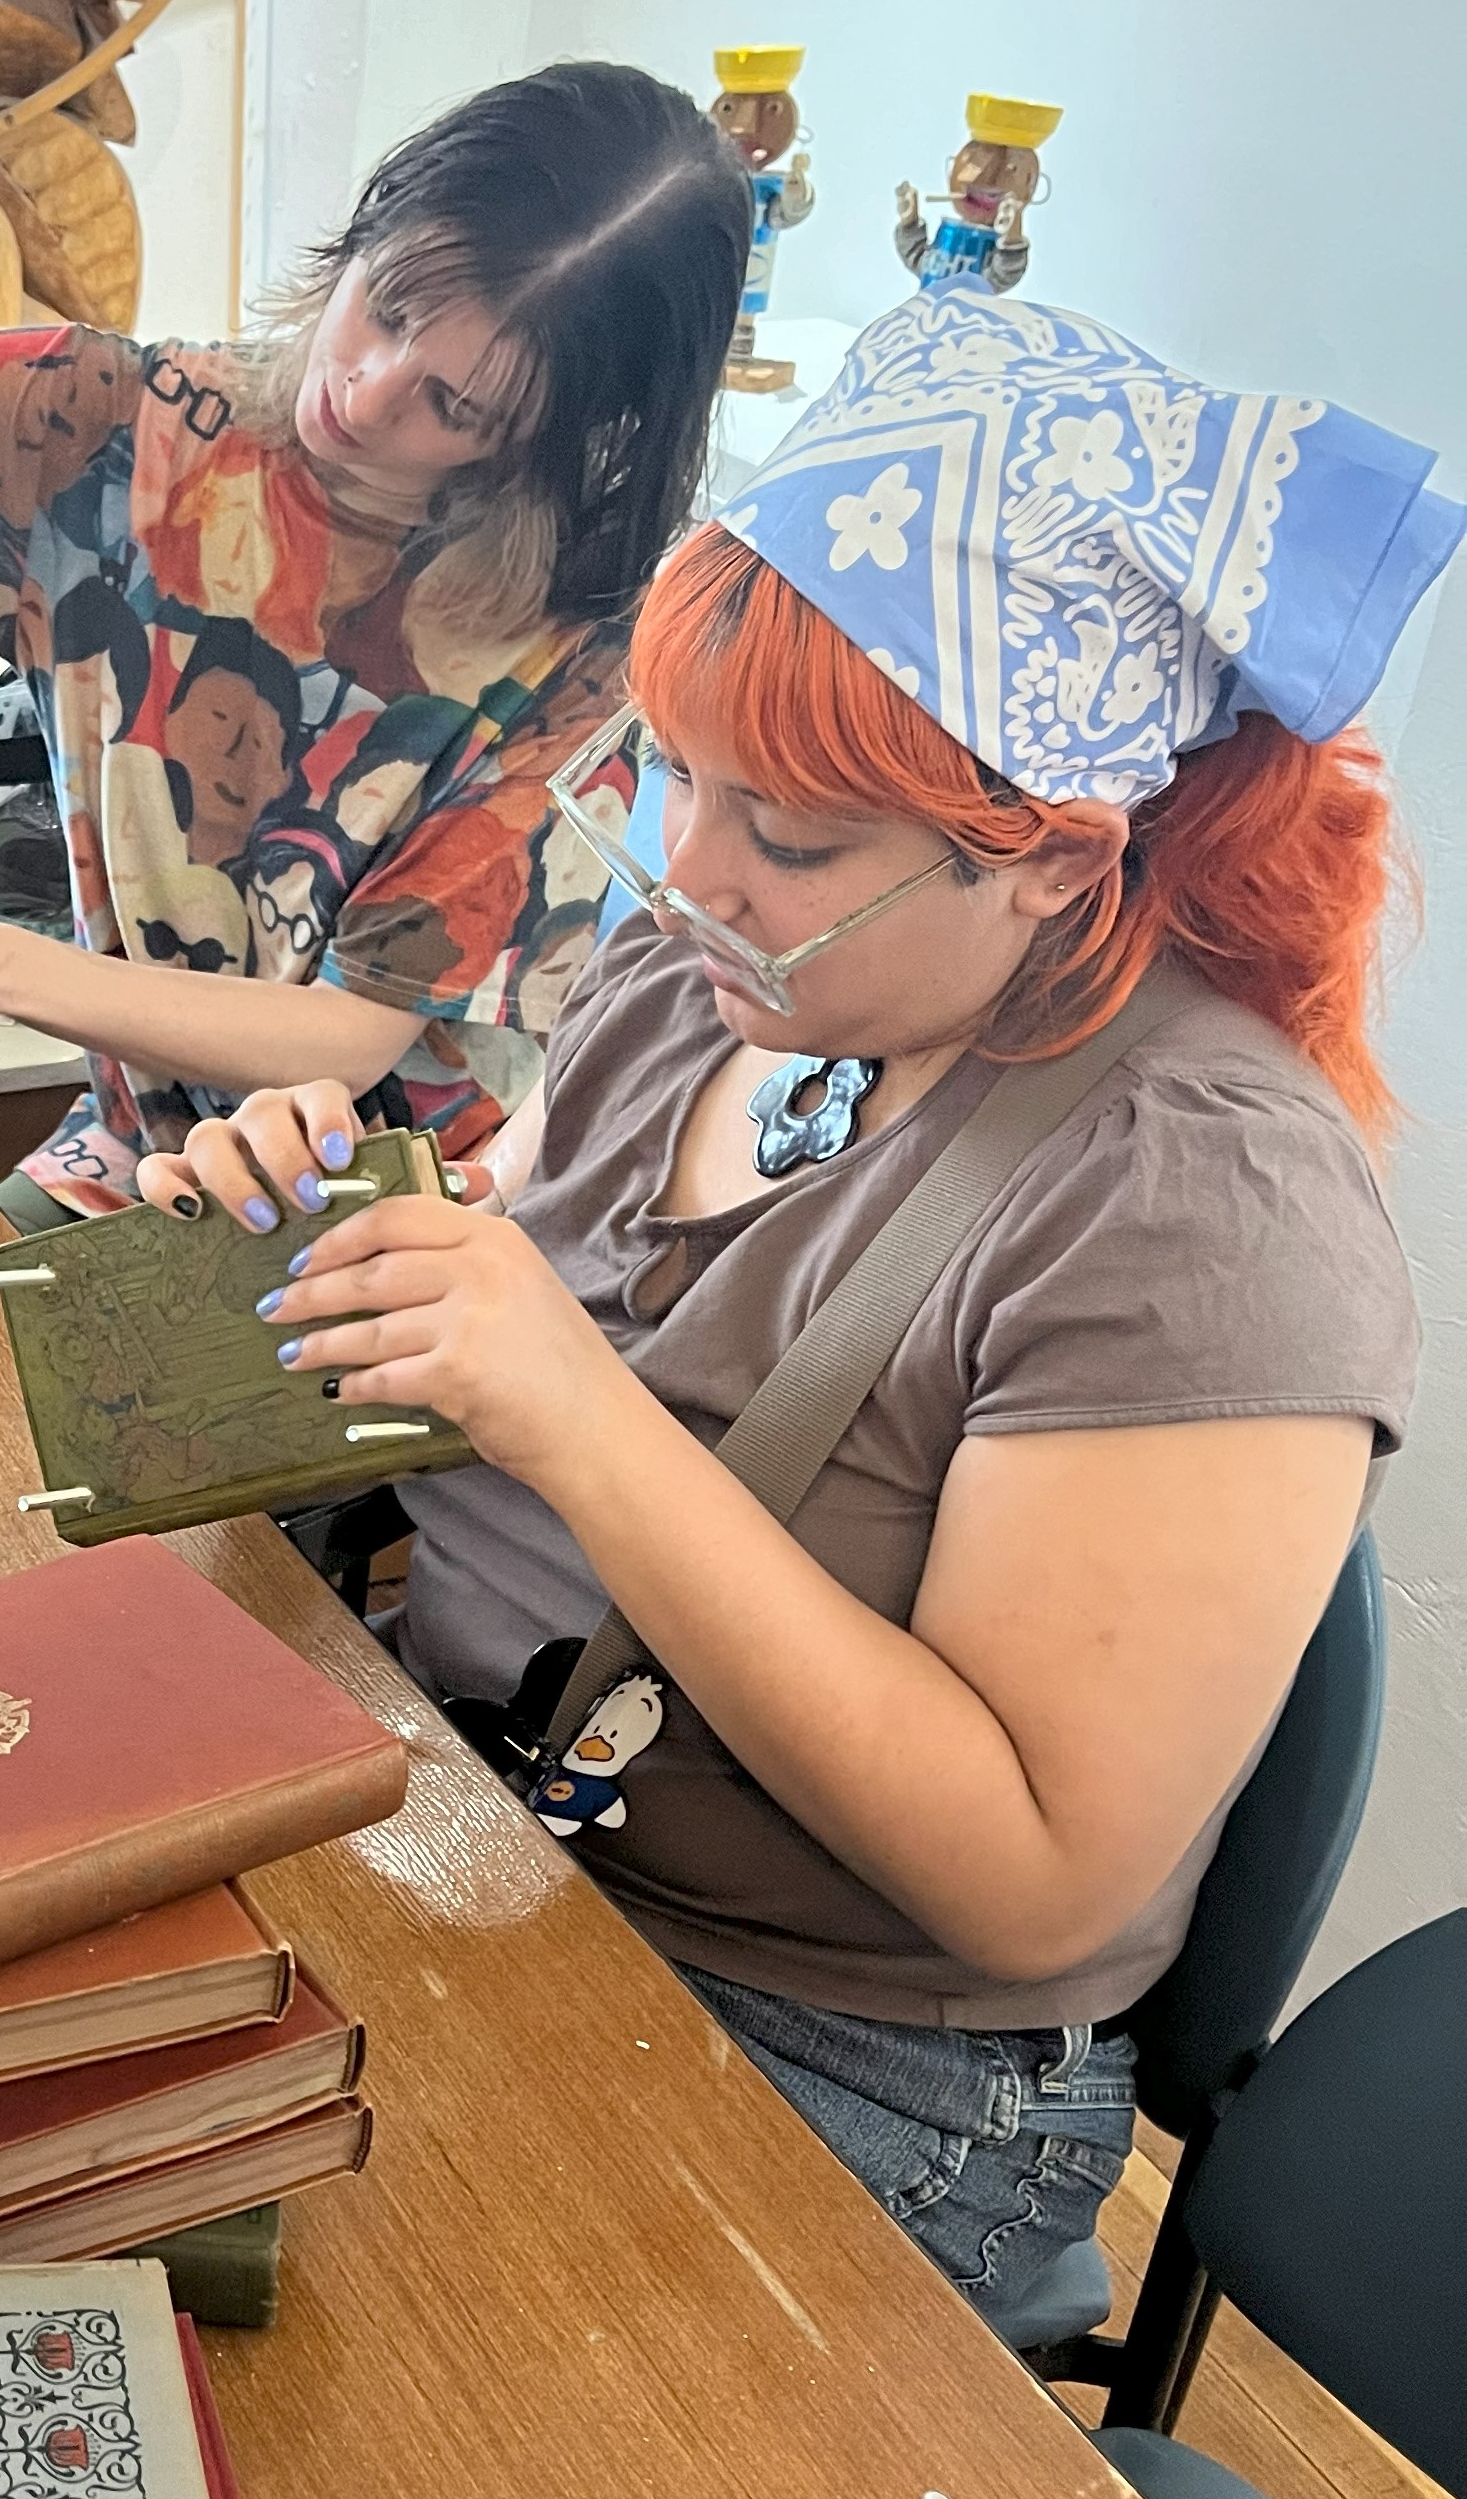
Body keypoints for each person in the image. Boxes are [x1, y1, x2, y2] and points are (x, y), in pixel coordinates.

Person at [140, 286, 1455, 2336]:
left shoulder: (1198, 1199)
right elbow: (505, 1289)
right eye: (677, 777)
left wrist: (575, 1413)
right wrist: (307, 1238)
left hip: (836, 2043)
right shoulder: (720, 983)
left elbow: (1030, 1873)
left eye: (793, 835)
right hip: (469, 1811)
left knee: (280, 2343)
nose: (693, 873)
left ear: (1052, 857)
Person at [0, 63, 749, 1226]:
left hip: (388, 1207)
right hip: (136, 1155)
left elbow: (350, 1037)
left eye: (455, 407)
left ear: (560, 438)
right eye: (387, 309)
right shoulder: (117, 424)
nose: (365, 396)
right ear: (371, 227)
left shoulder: (574, 651)